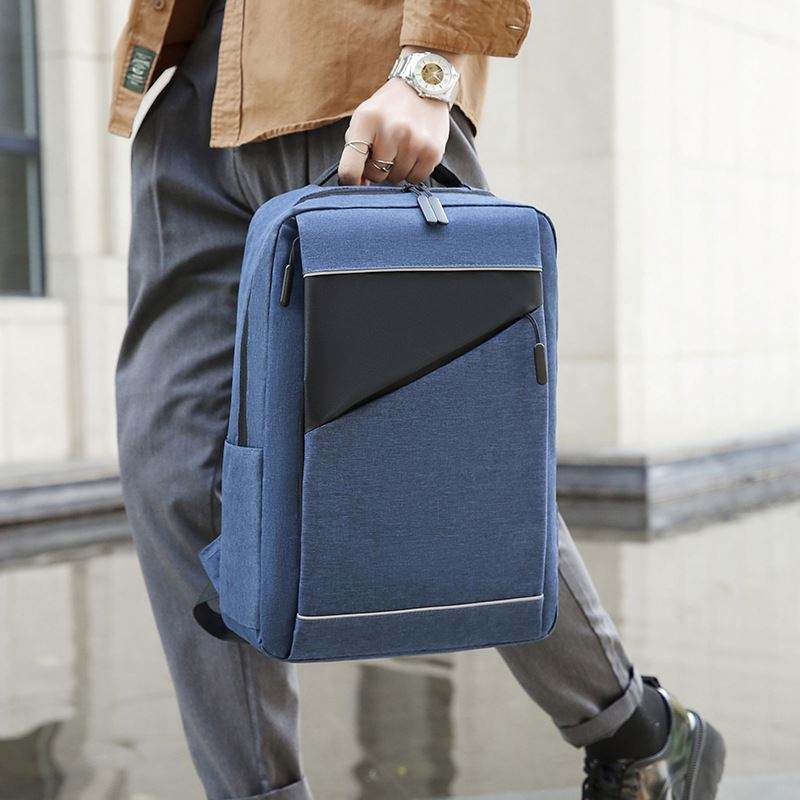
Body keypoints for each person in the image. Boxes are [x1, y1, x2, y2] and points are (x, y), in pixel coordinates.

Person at [108, 2, 725, 798]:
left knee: (441, 453)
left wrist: (430, 67)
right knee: (175, 472)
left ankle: (640, 736)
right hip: (191, 103)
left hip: (352, 79)